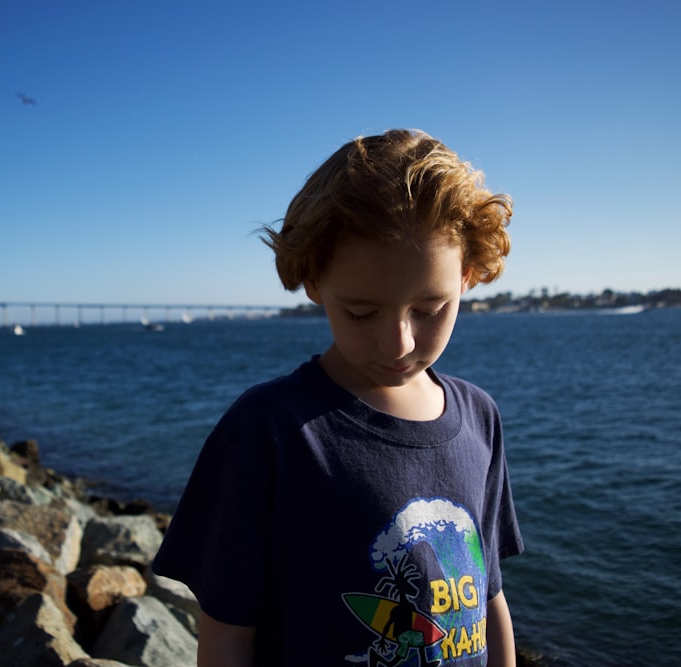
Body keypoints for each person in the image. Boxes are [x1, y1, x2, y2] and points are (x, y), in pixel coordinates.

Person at [152, 129, 524, 666]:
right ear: (314, 283)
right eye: (362, 312)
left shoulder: (479, 419)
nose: (399, 341)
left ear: (466, 276)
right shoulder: (270, 430)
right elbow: (229, 635)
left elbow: (488, 598)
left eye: (429, 307)